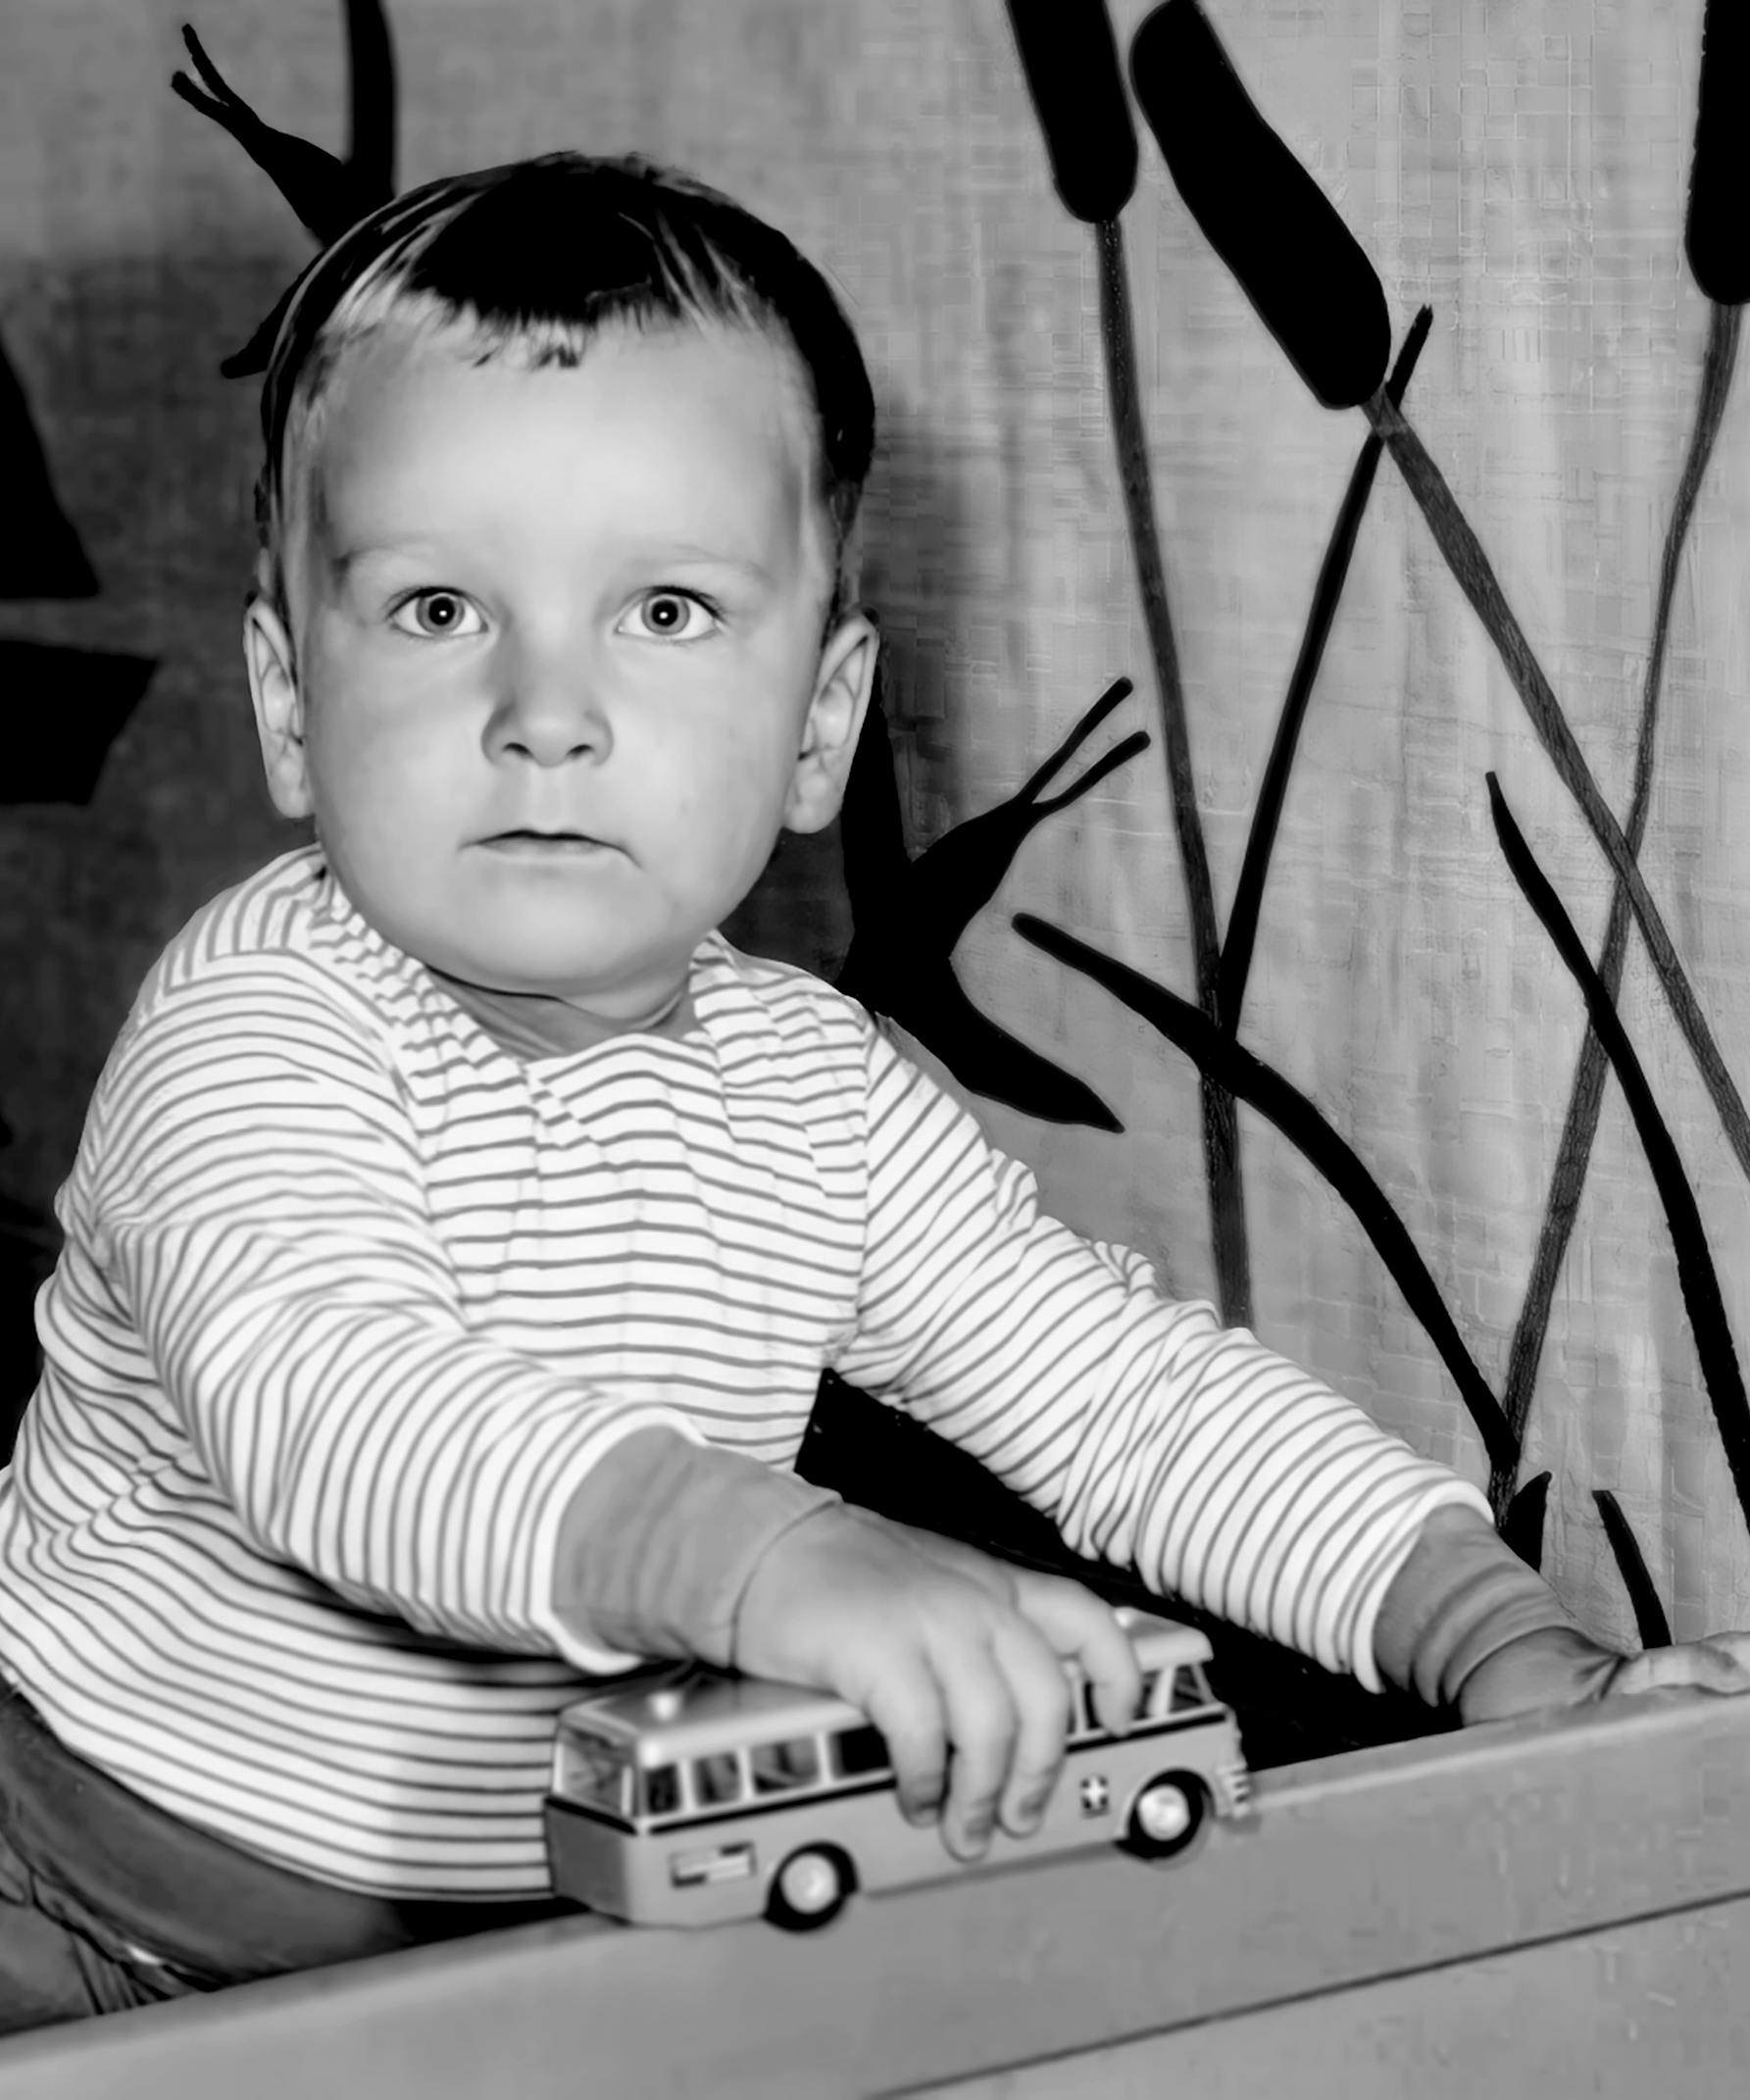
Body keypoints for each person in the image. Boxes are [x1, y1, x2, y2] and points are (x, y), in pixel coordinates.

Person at [2, 151, 1746, 2034]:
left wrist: (1494, 1637)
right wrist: (776, 1552)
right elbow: (336, 1406)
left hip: (542, 1953)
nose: (544, 707)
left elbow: (1125, 1397)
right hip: (90, 1912)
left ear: (821, 724)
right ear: (286, 701)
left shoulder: (815, 1093)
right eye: (436, 609)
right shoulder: (256, 1027)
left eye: (664, 611)